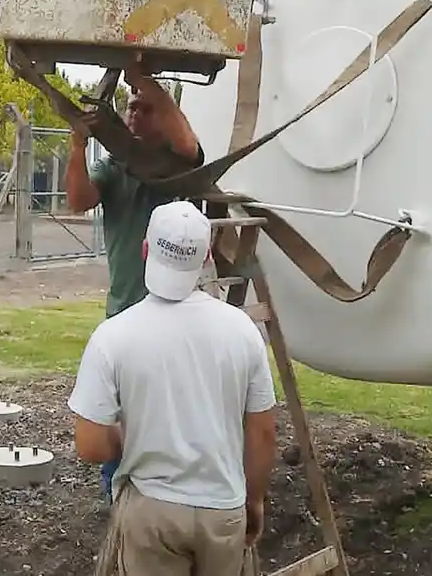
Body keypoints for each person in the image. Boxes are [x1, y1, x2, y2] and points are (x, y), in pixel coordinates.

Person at [68, 200, 278, 574]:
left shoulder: (113, 337)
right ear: (206, 256)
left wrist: (129, 437)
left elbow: (90, 444)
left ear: (145, 249)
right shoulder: (243, 331)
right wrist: (255, 500)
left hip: (153, 511)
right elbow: (262, 431)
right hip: (223, 510)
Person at [65, 57, 205, 501]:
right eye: (130, 107)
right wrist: (75, 145)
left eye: (144, 108)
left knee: (171, 406)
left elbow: (188, 141)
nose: (133, 114)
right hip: (126, 308)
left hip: (177, 313)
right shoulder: (113, 166)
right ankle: (119, 490)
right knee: (121, 409)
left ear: (163, 117)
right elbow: (77, 200)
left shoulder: (177, 164)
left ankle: (166, 485)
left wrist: (143, 79)